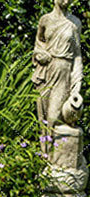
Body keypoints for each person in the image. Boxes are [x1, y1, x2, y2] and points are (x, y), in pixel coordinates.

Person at [32, 0, 83, 155]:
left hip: (63, 72)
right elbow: (38, 44)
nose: (66, 0)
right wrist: (39, 54)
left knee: (54, 118)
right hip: (45, 71)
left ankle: (57, 159)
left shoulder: (74, 23)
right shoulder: (45, 20)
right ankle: (46, 161)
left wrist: (77, 83)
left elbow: (77, 55)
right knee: (43, 120)